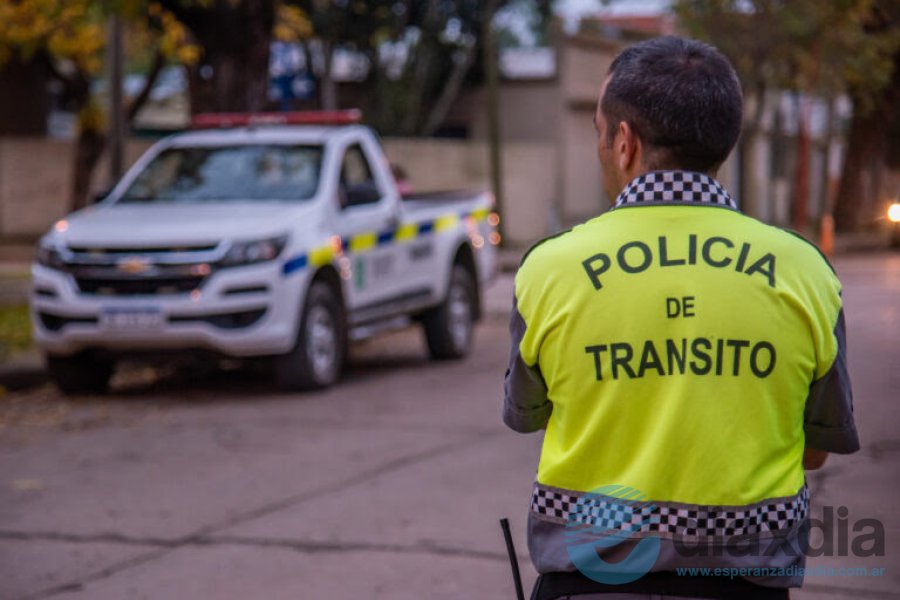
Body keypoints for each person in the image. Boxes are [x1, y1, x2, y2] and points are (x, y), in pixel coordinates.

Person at [503, 36, 859, 599]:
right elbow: (813, 449)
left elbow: (532, 417)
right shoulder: (806, 272)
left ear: (624, 143)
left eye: (599, 132)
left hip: (588, 584)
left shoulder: (549, 270)